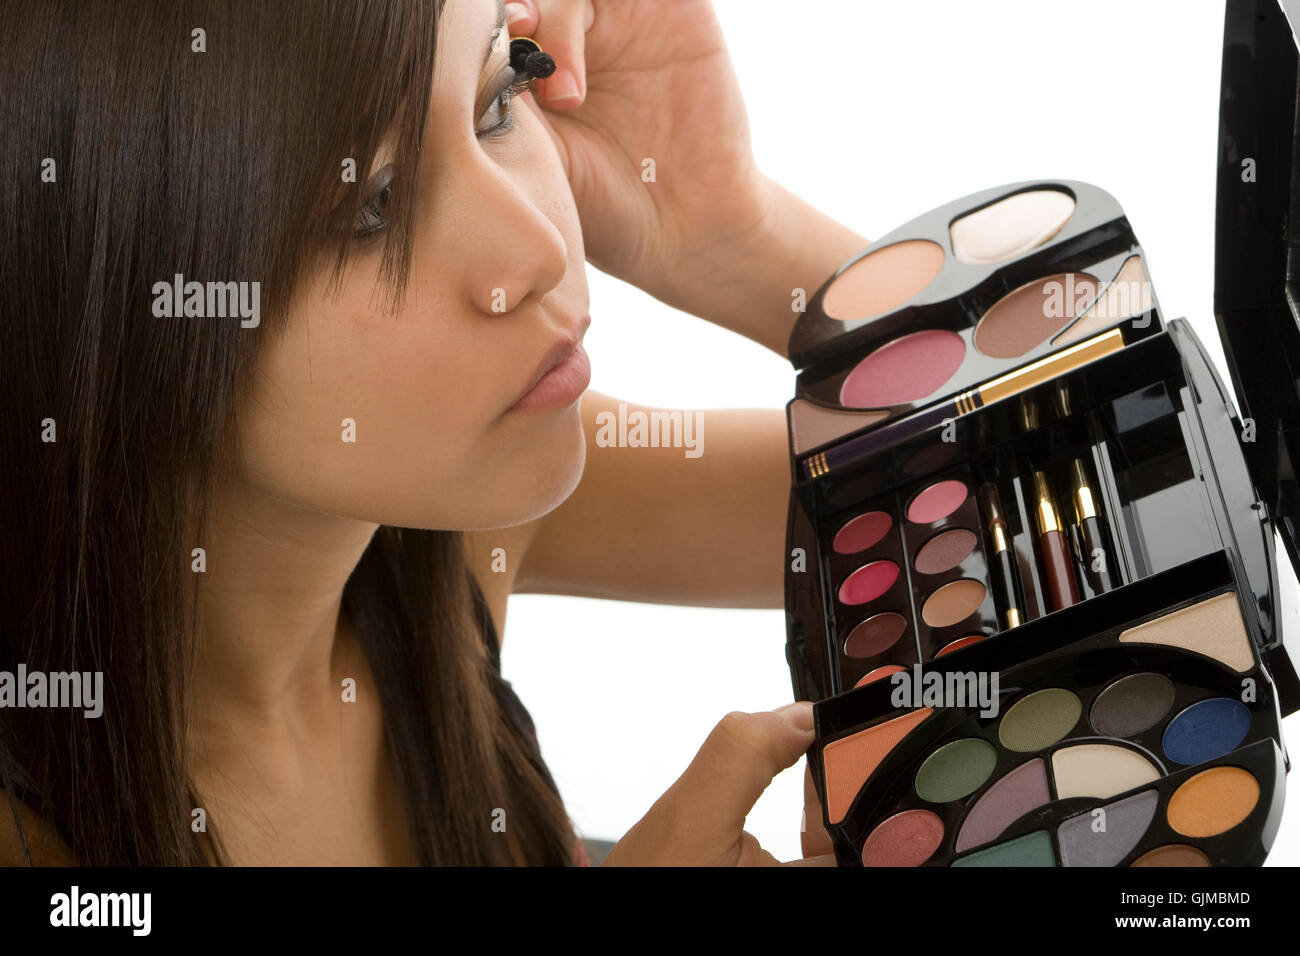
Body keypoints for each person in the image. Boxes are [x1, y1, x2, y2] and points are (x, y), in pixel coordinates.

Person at [0, 0, 864, 865]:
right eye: (375, 205)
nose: (540, 252)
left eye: (497, 102)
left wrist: (734, 232)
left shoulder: (455, 527)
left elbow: (950, 480)